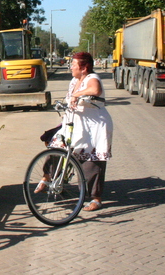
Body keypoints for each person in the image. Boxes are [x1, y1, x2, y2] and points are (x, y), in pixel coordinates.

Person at [36, 51, 113, 211]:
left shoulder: (92, 78)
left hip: (93, 127)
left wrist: (77, 94)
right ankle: (47, 177)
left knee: (91, 163)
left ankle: (95, 198)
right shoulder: (74, 80)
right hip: (74, 123)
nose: (71, 67)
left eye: (74, 64)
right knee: (56, 147)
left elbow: (95, 90)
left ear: (84, 68)